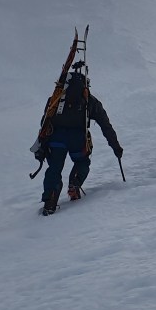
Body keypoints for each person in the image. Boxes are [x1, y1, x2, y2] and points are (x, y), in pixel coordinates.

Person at [35, 62, 122, 214]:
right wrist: (116, 147)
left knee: (54, 168)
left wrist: (42, 144)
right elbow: (105, 125)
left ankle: (49, 201)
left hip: (56, 138)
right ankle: (74, 184)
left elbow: (45, 121)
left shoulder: (57, 97)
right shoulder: (89, 100)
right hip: (78, 138)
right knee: (82, 161)